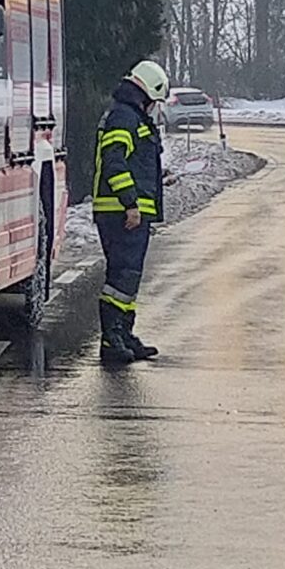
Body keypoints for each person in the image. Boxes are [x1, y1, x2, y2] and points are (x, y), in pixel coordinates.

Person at [92, 60, 170, 365]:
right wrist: (130, 203)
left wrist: (155, 179)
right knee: (121, 278)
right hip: (121, 213)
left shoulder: (129, 116)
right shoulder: (125, 117)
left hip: (127, 210)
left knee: (129, 278)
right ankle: (112, 339)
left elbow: (131, 162)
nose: (153, 107)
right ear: (146, 94)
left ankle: (123, 334)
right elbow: (114, 161)